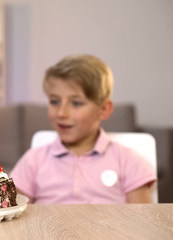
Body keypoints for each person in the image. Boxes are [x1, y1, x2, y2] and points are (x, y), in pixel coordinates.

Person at [10, 54, 156, 204]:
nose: (61, 113)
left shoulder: (128, 161)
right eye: (54, 101)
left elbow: (141, 221)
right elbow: (13, 216)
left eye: (76, 103)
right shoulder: (33, 161)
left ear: (104, 109)